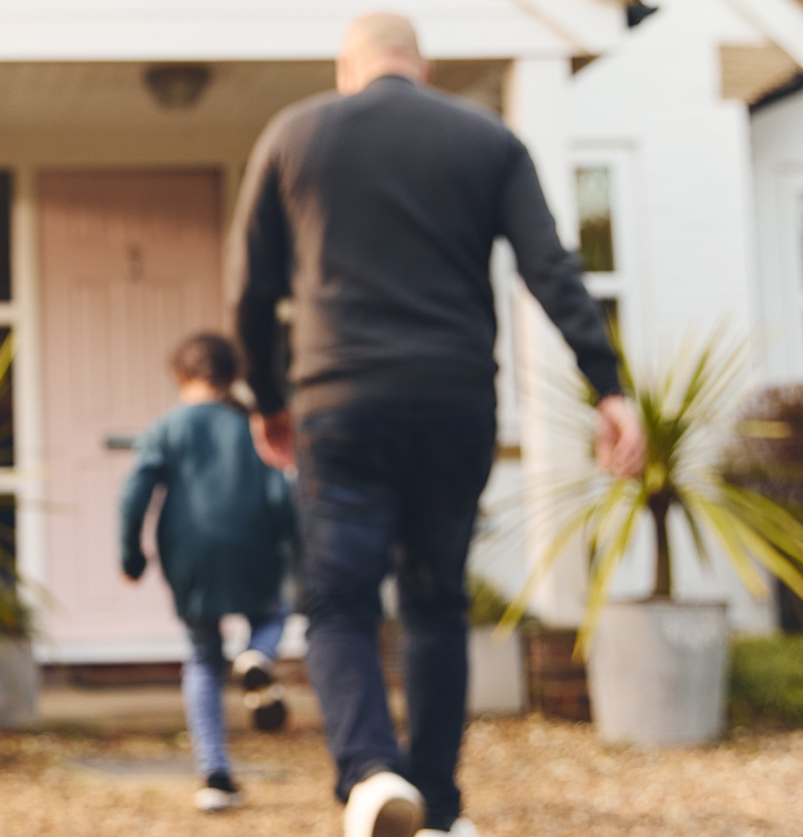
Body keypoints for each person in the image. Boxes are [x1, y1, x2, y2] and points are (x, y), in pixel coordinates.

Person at [231, 12, 646, 837]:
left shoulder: (295, 134)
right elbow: (549, 266)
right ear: (422, 66)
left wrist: (268, 398)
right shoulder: (486, 138)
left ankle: (372, 774)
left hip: (339, 405)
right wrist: (608, 383)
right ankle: (441, 806)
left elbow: (250, 286)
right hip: (455, 406)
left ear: (348, 68)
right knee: (435, 603)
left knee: (342, 601)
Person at [119, 332, 297, 814]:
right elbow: (282, 492)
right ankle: (257, 655)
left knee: (201, 656)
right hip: (254, 545)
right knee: (274, 612)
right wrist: (295, 547)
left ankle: (215, 776)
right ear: (232, 375)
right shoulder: (253, 424)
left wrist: (131, 554)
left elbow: (135, 492)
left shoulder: (166, 428)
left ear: (182, 376)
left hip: (189, 553)